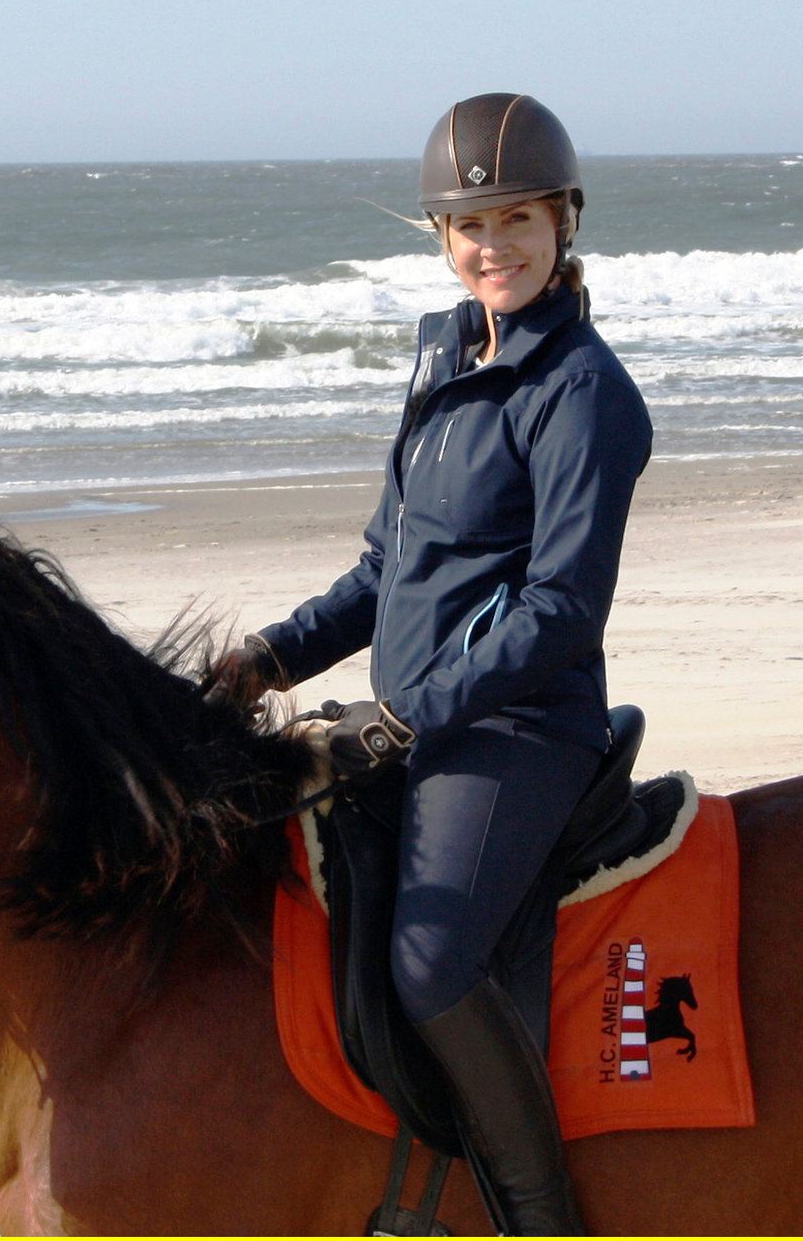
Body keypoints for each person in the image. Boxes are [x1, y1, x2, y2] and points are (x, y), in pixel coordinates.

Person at [209, 92, 650, 1235]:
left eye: (517, 221)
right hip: (417, 715)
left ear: (564, 221)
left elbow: (561, 609)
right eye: (471, 227)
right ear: (443, 237)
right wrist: (270, 656)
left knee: (429, 961)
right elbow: (387, 569)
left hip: (518, 731)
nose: (493, 247)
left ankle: (541, 1217)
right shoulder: (445, 356)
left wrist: (407, 716)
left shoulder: (584, 393)